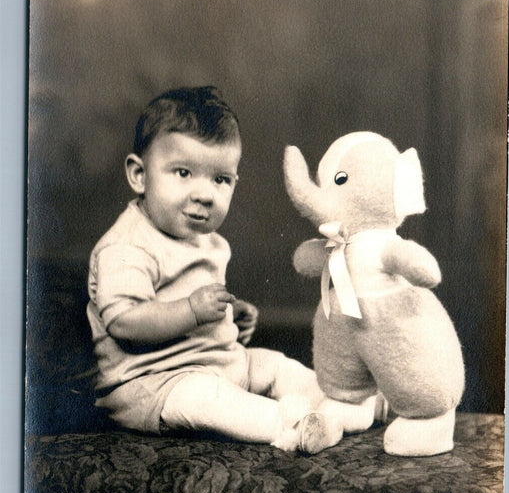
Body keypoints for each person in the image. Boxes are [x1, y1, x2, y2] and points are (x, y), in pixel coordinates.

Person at [87, 86, 343, 453]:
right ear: (139, 175)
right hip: (155, 385)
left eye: (220, 179)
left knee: (276, 366)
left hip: (218, 362)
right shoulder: (126, 246)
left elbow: (194, 301)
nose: (205, 194)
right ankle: (292, 426)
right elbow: (124, 322)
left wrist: (228, 316)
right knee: (208, 399)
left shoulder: (203, 237)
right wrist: (192, 310)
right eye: (183, 173)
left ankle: (342, 403)